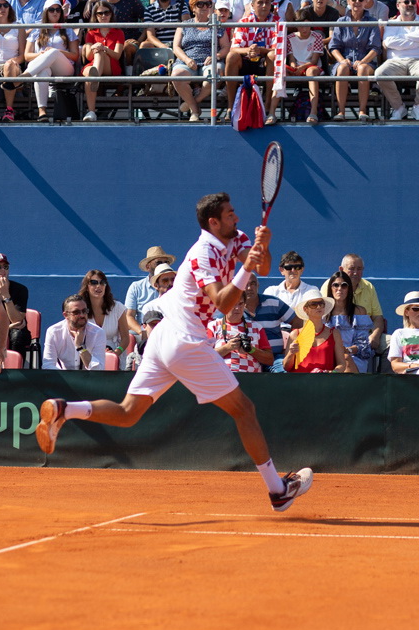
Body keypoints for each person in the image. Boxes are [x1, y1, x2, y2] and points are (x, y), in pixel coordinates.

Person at [36, 192, 316, 513]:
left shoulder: (235, 238)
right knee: (245, 411)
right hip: (185, 342)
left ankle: (64, 410)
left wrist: (261, 247)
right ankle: (277, 490)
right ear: (213, 221)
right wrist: (245, 268)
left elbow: (262, 266)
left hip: (165, 337)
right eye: (230, 214)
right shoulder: (202, 255)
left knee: (128, 413)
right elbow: (225, 305)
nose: (236, 218)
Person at [374, 0, 419, 120]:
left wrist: (401, 39)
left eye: (413, 1)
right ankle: (398, 107)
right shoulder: (391, 23)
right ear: (398, 5)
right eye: (406, 2)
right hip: (396, 61)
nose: (410, 4)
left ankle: (418, 106)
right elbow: (389, 41)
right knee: (380, 74)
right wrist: (418, 43)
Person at [328, 0, 381, 119]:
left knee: (362, 69)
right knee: (343, 68)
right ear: (348, 0)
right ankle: (341, 111)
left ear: (366, 1)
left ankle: (362, 111)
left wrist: (362, 61)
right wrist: (342, 60)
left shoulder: (372, 21)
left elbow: (375, 48)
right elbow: (334, 47)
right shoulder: (341, 21)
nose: (357, 2)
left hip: (366, 61)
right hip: (345, 60)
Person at [24, 0, 81, 121]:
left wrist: (56, 52)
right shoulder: (36, 30)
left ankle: (23, 77)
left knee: (54, 52)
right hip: (44, 67)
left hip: (64, 68)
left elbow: (75, 56)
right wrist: (42, 54)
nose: (55, 12)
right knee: (42, 72)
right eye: (51, 10)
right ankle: (42, 112)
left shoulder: (67, 29)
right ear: (46, 12)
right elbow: (27, 56)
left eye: (58, 9)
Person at [319, 253, 387, 354]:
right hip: (336, 337)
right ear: (341, 269)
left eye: (359, 269)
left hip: (364, 335)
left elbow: (378, 317)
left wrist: (374, 336)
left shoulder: (369, 287)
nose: (355, 273)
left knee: (390, 344)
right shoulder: (330, 285)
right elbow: (322, 316)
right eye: (351, 268)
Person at [283, 292, 350, 373]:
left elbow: (342, 364)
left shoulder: (334, 333)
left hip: (325, 382)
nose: (319, 307)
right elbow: (286, 367)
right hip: (300, 383)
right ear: (305, 309)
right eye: (313, 304)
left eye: (321, 304)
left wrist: (332, 373)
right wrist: (291, 353)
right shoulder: (295, 334)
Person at [211, 293, 273, 372]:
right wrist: (227, 348)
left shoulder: (257, 327)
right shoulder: (213, 326)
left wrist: (251, 350)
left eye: (241, 304)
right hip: (221, 376)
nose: (237, 308)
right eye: (233, 304)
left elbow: (269, 360)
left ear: (245, 305)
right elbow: (204, 358)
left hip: (250, 378)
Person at [325, 270, 374, 373]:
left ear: (349, 289)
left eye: (344, 285)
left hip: (353, 356)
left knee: (346, 358)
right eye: (336, 285)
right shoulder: (324, 312)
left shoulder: (359, 311)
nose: (339, 289)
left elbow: (363, 344)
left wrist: (347, 350)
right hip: (328, 355)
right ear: (331, 288)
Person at [42, 295, 107, 370]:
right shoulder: (54, 332)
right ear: (66, 315)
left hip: (89, 379)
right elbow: (48, 365)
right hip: (63, 378)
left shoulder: (98, 333)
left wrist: (80, 347)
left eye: (84, 311)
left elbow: (98, 369)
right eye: (76, 312)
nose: (82, 315)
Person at [78, 269, 131, 358]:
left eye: (102, 282)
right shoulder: (80, 308)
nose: (99, 286)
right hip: (87, 357)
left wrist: (115, 353)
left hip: (114, 356)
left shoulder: (117, 307)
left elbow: (125, 338)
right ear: (87, 287)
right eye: (94, 282)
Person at [126, 246, 176, 338]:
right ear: (148, 266)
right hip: (144, 330)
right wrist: (142, 332)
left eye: (166, 262)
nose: (162, 265)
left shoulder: (177, 286)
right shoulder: (136, 287)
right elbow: (129, 316)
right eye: (159, 262)